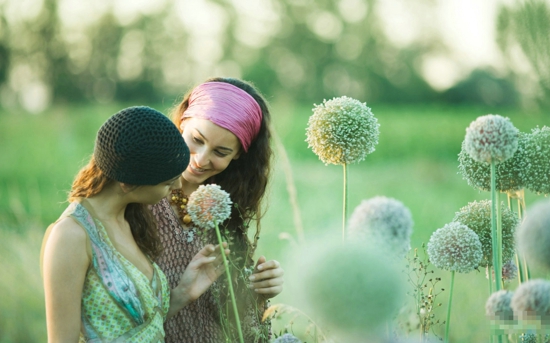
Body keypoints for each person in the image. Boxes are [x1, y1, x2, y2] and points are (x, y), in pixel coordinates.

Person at [41, 106, 228, 342]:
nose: (178, 188)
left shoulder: (131, 219)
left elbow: (141, 329)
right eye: (168, 183)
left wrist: (183, 293)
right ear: (127, 184)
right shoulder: (72, 235)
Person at [151, 77, 284, 343]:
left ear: (238, 155)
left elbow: (229, 309)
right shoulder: (141, 197)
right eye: (196, 139)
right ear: (181, 123)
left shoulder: (224, 206)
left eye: (220, 152)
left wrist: (260, 286)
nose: (200, 159)